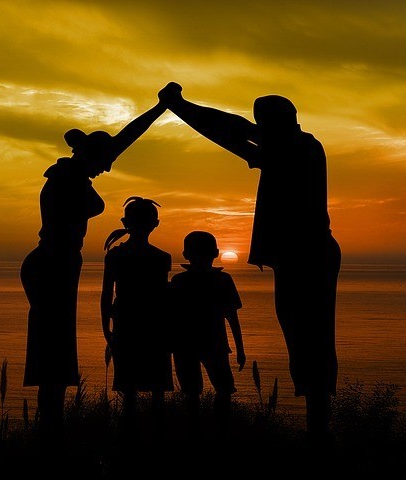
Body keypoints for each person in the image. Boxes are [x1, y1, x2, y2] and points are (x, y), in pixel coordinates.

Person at [158, 82, 341, 441]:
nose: (259, 128)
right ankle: (316, 424)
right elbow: (237, 127)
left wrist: (180, 108)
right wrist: (182, 107)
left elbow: (232, 135)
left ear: (280, 122)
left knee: (311, 341)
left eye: (264, 121)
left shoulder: (296, 148)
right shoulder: (293, 143)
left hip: (308, 256)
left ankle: (318, 430)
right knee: (302, 339)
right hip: (300, 256)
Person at [20, 97, 167, 453]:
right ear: (90, 156)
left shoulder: (74, 171)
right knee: (52, 352)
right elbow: (107, 155)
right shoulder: (68, 178)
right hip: (52, 264)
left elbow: (121, 141)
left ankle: (50, 431)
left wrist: (161, 108)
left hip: (59, 264)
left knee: (55, 350)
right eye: (105, 162)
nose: (108, 169)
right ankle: (49, 435)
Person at [100, 196, 173, 431]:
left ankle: (130, 440)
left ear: (125, 221)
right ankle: (156, 439)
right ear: (156, 223)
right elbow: (164, 298)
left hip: (127, 323)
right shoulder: (161, 258)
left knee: (129, 390)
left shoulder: (116, 255)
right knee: (157, 390)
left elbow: (106, 294)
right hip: (155, 326)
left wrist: (105, 328)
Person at [169, 231, 245, 435]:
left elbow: (171, 319)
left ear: (185, 254)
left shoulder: (178, 281)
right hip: (211, 344)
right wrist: (240, 349)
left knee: (196, 392)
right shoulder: (223, 280)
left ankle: (200, 432)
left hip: (187, 345)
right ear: (217, 253)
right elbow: (232, 318)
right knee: (223, 389)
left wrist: (240, 349)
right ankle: (219, 430)